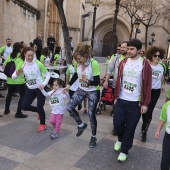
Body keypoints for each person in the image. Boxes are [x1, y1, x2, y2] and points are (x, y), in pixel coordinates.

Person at [113, 39, 152, 162]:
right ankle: (120, 138)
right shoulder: (123, 62)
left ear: (139, 50)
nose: (128, 51)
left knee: (130, 128)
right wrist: (116, 97)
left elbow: (148, 85)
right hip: (121, 99)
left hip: (135, 102)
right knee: (117, 124)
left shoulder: (145, 64)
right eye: (127, 48)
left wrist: (145, 103)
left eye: (131, 49)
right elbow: (119, 80)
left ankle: (124, 151)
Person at [65, 44, 100, 148]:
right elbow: (76, 74)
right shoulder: (78, 63)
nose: (78, 61)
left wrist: (87, 81)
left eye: (80, 59)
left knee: (91, 114)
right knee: (69, 107)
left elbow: (97, 82)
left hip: (93, 91)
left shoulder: (94, 64)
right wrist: (68, 85)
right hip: (81, 89)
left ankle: (93, 136)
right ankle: (81, 125)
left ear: (85, 56)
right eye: (77, 59)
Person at [12, 47, 51, 132]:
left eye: (32, 56)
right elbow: (13, 76)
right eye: (28, 55)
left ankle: (42, 124)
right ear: (24, 54)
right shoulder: (22, 64)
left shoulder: (38, 63)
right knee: (24, 106)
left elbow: (48, 75)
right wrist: (17, 74)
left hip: (40, 88)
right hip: (30, 89)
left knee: (41, 107)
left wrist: (43, 84)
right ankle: (39, 111)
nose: (30, 58)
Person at [103, 41, 128, 134]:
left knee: (124, 107)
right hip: (116, 86)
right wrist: (106, 80)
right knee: (116, 106)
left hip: (126, 88)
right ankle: (116, 126)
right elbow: (109, 70)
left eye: (124, 47)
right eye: (121, 47)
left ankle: (123, 124)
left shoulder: (130, 59)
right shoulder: (116, 58)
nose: (122, 49)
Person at [141, 46, 165, 142]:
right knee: (144, 110)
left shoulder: (161, 67)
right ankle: (144, 123)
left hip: (155, 91)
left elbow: (162, 77)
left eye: (159, 56)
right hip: (146, 90)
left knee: (149, 111)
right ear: (151, 55)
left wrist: (162, 85)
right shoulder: (146, 65)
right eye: (155, 55)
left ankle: (144, 131)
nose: (157, 57)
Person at [3, 42, 27, 118]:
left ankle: (6, 110)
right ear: (20, 48)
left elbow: (4, 66)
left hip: (10, 80)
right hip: (19, 80)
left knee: (9, 94)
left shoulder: (10, 56)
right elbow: (23, 68)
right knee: (22, 96)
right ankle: (18, 112)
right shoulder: (21, 57)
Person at [155, 101, 170, 170]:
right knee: (165, 159)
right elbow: (163, 118)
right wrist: (158, 130)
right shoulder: (167, 105)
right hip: (168, 136)